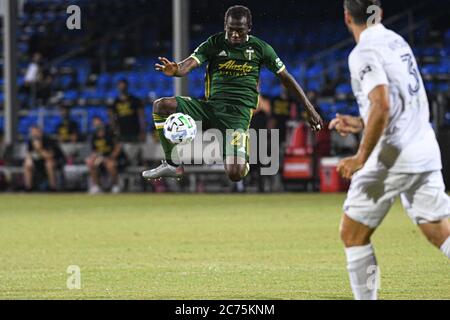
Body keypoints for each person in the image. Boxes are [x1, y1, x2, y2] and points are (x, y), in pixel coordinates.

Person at [329, 0, 450, 300]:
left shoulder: (363, 52)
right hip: (424, 149)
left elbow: (382, 104)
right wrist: (360, 123)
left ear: (346, 17)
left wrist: (360, 157)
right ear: (379, 13)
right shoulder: (397, 41)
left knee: (352, 233)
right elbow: (396, 104)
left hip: (392, 156)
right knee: (439, 229)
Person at [142, 5, 323, 182]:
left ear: (249, 28)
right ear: (225, 26)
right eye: (231, 30)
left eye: (240, 30)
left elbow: (286, 77)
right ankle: (173, 164)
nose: (235, 34)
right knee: (161, 105)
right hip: (210, 108)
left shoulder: (261, 48)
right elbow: (187, 65)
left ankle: (243, 159)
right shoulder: (214, 43)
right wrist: (175, 70)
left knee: (235, 174)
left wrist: (309, 108)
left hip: (237, 116)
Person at [86, 117, 127, 194]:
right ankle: (97, 186)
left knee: (110, 165)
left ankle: (116, 185)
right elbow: (94, 151)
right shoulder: (93, 136)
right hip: (100, 157)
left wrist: (111, 157)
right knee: (91, 163)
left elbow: (118, 148)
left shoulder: (110, 134)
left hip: (113, 157)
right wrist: (94, 157)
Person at [23, 126, 66, 191]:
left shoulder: (48, 139)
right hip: (39, 161)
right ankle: (28, 188)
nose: (33, 134)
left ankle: (53, 188)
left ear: (40, 132)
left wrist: (39, 149)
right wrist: (29, 159)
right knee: (27, 164)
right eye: (32, 133)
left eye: (35, 132)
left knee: (49, 164)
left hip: (55, 161)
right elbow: (29, 154)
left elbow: (50, 156)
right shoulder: (31, 140)